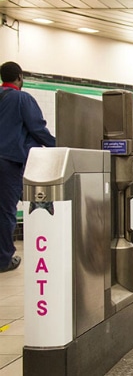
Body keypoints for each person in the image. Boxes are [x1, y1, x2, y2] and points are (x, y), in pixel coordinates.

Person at [0, 61, 56, 273]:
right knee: (6, 211)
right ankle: (4, 259)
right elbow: (37, 129)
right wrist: (59, 145)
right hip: (8, 163)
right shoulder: (21, 98)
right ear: (20, 77)